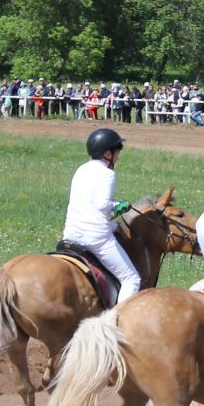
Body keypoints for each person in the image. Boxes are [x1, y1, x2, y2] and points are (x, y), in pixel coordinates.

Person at [60, 127, 140, 304]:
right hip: (95, 237)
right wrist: (118, 205)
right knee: (132, 279)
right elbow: (102, 205)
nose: (118, 156)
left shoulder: (82, 169)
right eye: (117, 152)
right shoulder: (107, 174)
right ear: (108, 154)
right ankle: (117, 324)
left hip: (71, 233)